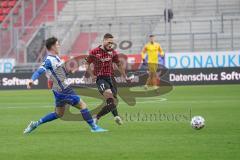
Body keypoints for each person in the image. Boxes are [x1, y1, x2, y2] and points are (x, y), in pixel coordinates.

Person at [23, 37, 107, 134]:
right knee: (82, 105)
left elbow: (59, 73)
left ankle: (36, 124)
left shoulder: (56, 58)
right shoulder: (49, 60)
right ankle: (94, 127)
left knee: (59, 113)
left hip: (58, 90)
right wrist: (31, 80)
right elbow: (39, 70)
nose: (59, 46)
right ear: (53, 46)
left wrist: (70, 71)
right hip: (64, 89)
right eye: (58, 44)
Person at [85, 33, 131, 125]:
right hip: (100, 79)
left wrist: (125, 76)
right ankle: (96, 118)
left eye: (112, 43)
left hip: (111, 78)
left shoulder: (113, 52)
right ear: (104, 40)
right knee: (110, 97)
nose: (110, 44)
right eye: (109, 42)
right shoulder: (95, 52)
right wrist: (92, 75)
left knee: (113, 101)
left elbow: (118, 64)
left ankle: (115, 116)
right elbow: (86, 64)